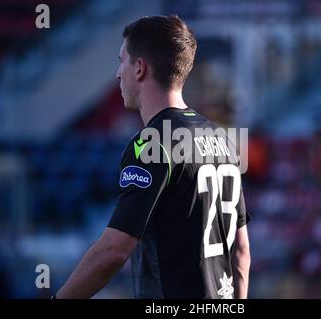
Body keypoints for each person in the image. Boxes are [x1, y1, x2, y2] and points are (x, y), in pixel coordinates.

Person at [55, 15, 250, 299]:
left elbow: (114, 250)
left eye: (121, 61)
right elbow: (241, 251)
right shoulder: (222, 139)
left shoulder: (151, 143)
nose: (117, 73)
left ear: (140, 68)